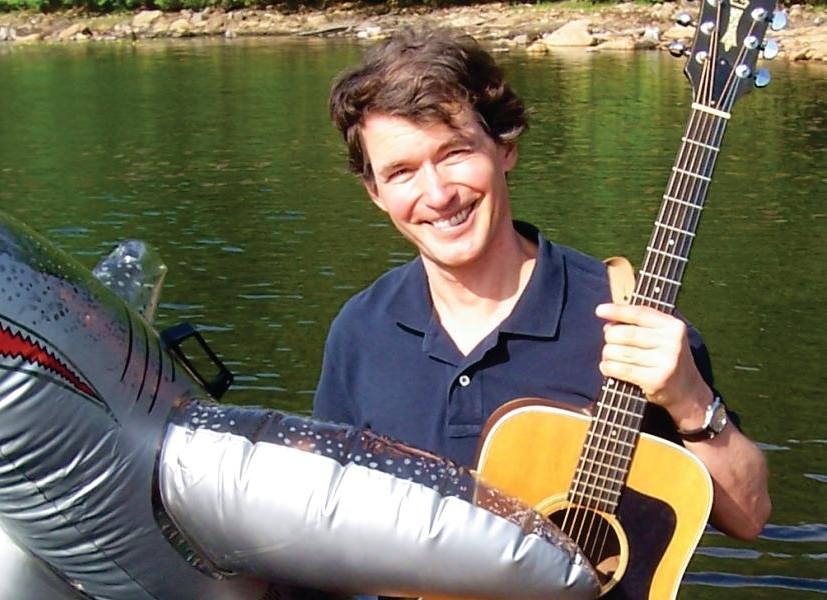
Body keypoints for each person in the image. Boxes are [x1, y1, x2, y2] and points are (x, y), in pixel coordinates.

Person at [312, 28, 770, 548]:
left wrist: (690, 400)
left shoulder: (628, 318)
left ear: (505, 146)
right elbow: (329, 524)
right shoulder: (360, 332)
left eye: (455, 152)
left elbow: (750, 517)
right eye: (401, 172)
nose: (437, 194)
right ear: (374, 191)